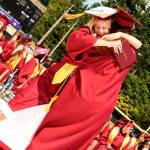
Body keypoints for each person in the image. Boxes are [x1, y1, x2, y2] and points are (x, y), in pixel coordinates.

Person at [24, 6, 142, 150]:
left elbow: (75, 41)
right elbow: (138, 45)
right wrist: (124, 37)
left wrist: (91, 23)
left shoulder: (101, 43)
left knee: (52, 134)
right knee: (74, 143)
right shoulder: (131, 54)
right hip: (102, 106)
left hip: (80, 93)